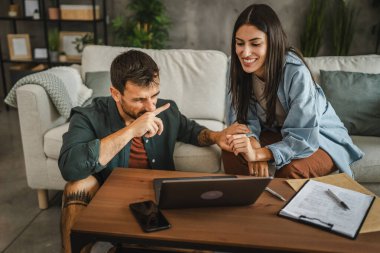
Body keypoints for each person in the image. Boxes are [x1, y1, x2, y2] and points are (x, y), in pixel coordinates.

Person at [58, 50, 247, 253]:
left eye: (154, 96)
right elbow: (70, 167)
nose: (150, 107)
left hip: (155, 202)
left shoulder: (167, 111)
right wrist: (131, 130)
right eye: (139, 100)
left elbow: (193, 131)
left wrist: (217, 137)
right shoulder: (89, 116)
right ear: (116, 94)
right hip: (110, 198)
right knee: (77, 186)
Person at [225, 4, 363, 179]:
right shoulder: (236, 68)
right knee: (232, 154)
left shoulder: (295, 71)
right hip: (278, 133)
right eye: (239, 43)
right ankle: (248, 204)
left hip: (318, 138)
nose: (245, 52)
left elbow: (303, 136)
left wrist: (261, 154)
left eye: (255, 44)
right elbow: (240, 123)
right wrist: (251, 145)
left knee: (291, 171)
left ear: (272, 43)